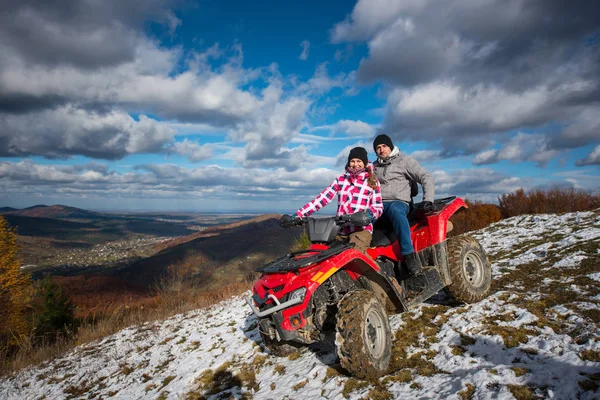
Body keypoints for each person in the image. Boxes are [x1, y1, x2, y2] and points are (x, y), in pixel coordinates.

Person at [292, 147, 383, 254]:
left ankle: (375, 271)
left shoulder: (372, 182)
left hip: (361, 230)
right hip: (341, 230)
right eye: (352, 161)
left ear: (364, 163)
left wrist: (368, 215)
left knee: (353, 256)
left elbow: (378, 207)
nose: (355, 164)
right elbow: (322, 199)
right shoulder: (341, 180)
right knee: (325, 256)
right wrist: (299, 214)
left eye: (359, 161)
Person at [372, 134, 435, 275]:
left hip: (399, 203)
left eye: (384, 146)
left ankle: (409, 256)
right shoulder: (374, 167)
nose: (382, 150)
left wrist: (428, 199)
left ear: (391, 146)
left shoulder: (404, 160)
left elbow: (426, 176)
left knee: (395, 210)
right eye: (378, 148)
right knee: (362, 220)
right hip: (378, 206)